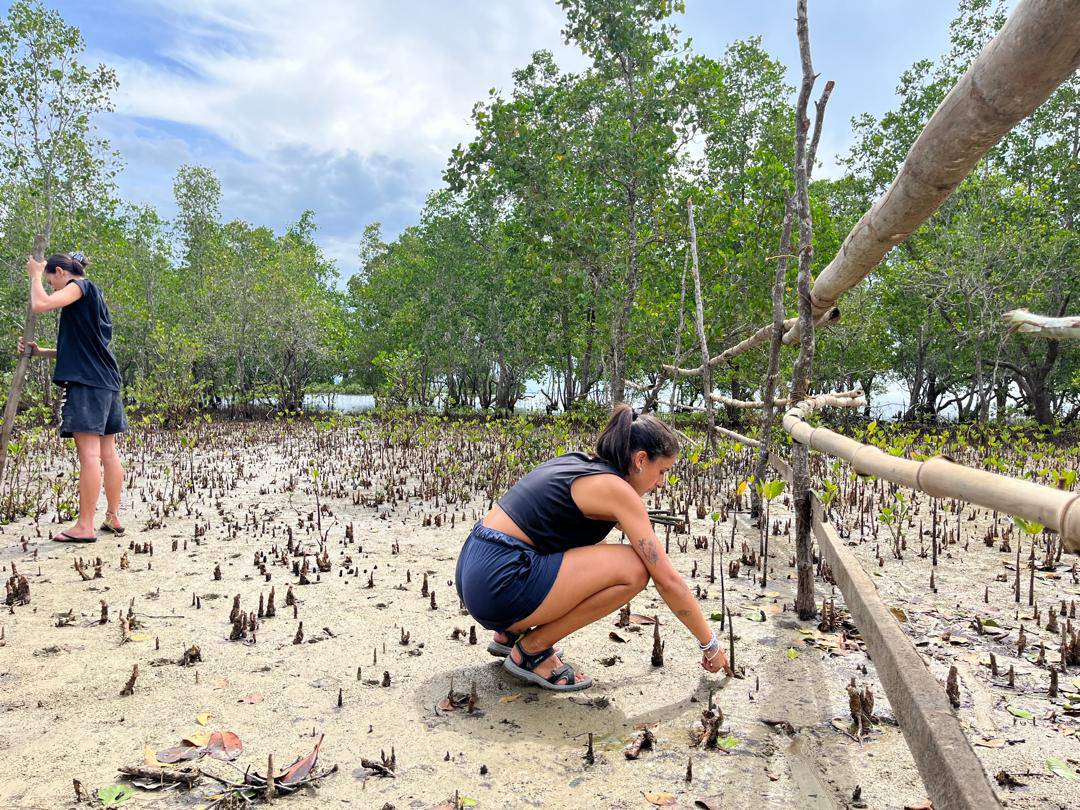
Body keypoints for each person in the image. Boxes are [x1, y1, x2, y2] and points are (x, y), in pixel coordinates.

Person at [455, 405, 733, 692]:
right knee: (635, 569)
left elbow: (569, 543)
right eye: (662, 471)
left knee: (601, 557)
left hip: (475, 567)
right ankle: (531, 650)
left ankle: (510, 633)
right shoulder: (617, 490)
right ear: (640, 460)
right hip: (499, 583)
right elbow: (667, 580)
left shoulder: (580, 462)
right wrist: (709, 644)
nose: (661, 483)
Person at [19, 252, 127, 542]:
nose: (54, 287)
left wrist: (34, 275)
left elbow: (40, 304)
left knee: (90, 455)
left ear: (60, 273)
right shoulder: (95, 296)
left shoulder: (80, 287)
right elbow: (85, 349)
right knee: (107, 453)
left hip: (88, 384)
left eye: (52, 280)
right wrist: (43, 352)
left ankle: (84, 526)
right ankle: (112, 517)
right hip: (106, 381)